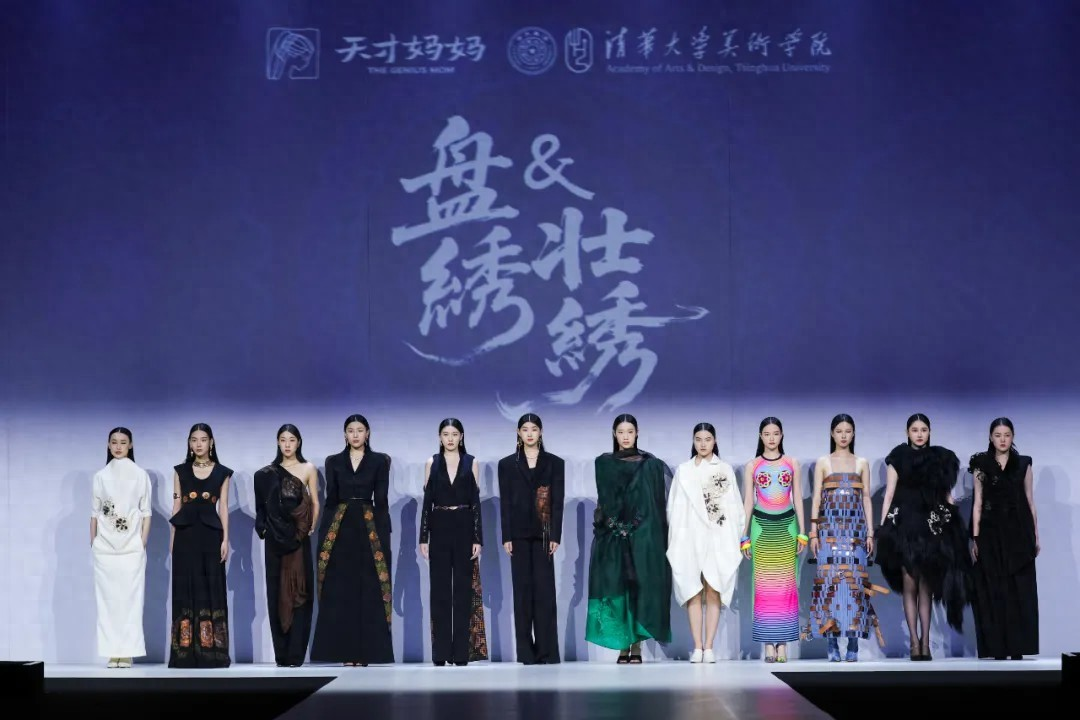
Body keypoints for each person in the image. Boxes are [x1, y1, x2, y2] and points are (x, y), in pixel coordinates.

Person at [875, 413, 968, 661]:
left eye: (924, 429)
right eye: (915, 430)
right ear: (907, 432)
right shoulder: (898, 457)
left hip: (930, 528)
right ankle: (914, 643)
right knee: (909, 586)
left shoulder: (940, 459)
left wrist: (955, 523)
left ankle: (925, 643)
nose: (919, 434)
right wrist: (883, 528)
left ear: (929, 432)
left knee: (926, 587)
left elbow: (946, 495)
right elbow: (889, 494)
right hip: (905, 527)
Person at [586, 413, 672, 663]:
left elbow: (654, 504)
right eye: (621, 432)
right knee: (617, 589)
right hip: (612, 535)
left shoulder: (650, 465)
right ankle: (622, 645)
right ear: (614, 434)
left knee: (640, 588)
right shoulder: (603, 463)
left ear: (637, 433)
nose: (626, 437)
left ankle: (636, 646)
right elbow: (604, 500)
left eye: (630, 432)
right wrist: (614, 525)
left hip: (642, 535)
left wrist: (637, 526)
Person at [311, 414, 395, 666]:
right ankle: (345, 652)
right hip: (341, 526)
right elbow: (331, 500)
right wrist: (325, 533)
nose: (355, 435)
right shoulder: (334, 461)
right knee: (342, 590)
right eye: (351, 430)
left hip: (369, 527)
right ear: (345, 434)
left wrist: (384, 533)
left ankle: (367, 652)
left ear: (368, 433)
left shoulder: (380, 461)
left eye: (360, 430)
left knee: (369, 589)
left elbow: (382, 501)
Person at [805, 414, 887, 662]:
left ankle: (853, 643)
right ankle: (831, 643)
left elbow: (866, 499)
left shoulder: (862, 462)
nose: (843, 435)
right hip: (828, 530)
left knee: (855, 585)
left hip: (855, 531)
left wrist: (870, 532)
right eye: (839, 431)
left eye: (848, 431)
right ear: (832, 433)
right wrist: (813, 533)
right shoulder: (823, 462)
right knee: (828, 585)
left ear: (853, 434)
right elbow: (817, 498)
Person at [666, 422, 745, 663]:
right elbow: (674, 507)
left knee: (713, 589)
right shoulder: (684, 470)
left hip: (716, 537)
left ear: (715, 441)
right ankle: (697, 647)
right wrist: (678, 536)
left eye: (707, 439)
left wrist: (734, 536)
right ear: (693, 441)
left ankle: (709, 646)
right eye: (698, 439)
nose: (703, 444)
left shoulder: (724, 469)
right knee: (692, 590)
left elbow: (734, 507)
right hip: (689, 535)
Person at [967, 417, 1039, 660]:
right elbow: (977, 503)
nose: (1003, 439)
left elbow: (1030, 501)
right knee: (994, 589)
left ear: (1013, 436)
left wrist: (1036, 535)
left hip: (1019, 533)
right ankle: (997, 648)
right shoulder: (981, 464)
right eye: (998, 435)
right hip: (990, 533)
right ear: (990, 437)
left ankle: (1017, 647)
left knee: (1019, 590)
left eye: (1007, 435)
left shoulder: (1023, 463)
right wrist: (975, 538)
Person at [497, 413, 565, 664]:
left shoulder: (555, 463)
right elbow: (505, 502)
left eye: (534, 429)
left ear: (541, 432)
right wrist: (506, 535)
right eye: (524, 429)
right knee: (522, 593)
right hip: (518, 534)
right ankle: (526, 652)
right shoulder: (507, 464)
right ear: (518, 433)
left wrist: (555, 534)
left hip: (544, 534)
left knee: (545, 593)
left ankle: (547, 651)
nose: (529, 433)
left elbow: (557, 502)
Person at [419, 418, 487, 666]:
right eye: (446, 434)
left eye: (454, 434)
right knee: (439, 591)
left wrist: (477, 537)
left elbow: (475, 503)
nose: (450, 438)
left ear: (461, 437)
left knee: (462, 591)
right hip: (439, 526)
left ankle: (461, 654)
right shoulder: (432, 462)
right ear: (440, 437)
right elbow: (427, 503)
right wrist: (423, 537)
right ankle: (440, 654)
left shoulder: (471, 462)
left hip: (464, 526)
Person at [740, 416, 806, 663]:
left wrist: (802, 532)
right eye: (767, 434)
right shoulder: (752, 465)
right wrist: (744, 535)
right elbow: (749, 501)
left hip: (787, 527)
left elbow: (797, 498)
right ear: (761, 436)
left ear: (782, 435)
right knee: (764, 587)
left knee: (786, 586)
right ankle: (768, 644)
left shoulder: (792, 463)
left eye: (775, 433)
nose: (771, 438)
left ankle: (783, 644)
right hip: (761, 527)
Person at [168, 423, 232, 668]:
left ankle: (212, 653)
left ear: (211, 442)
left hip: (211, 535)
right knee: (185, 589)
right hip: (185, 535)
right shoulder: (180, 471)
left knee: (210, 588)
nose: (198, 444)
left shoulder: (222, 472)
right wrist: (172, 539)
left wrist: (226, 539)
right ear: (189, 443)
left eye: (203, 439)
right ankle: (184, 654)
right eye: (194, 439)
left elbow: (223, 507)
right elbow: (176, 506)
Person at [254, 424, 318, 667]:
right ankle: (281, 654)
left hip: (298, 538)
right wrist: (263, 528)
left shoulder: (308, 468)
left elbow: (315, 502)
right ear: (278, 442)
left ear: (299, 442)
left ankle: (295, 654)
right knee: (276, 591)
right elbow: (261, 508)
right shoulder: (265, 474)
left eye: (292, 439)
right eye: (283, 440)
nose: (287, 444)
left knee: (299, 592)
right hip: (274, 539)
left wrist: (310, 526)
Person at [91, 427, 152, 668]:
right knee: (107, 601)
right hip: (105, 549)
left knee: (131, 600)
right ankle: (111, 651)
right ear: (108, 445)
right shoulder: (100, 476)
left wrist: (141, 542)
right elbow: (94, 513)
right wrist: (94, 543)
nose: (118, 446)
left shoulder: (140, 475)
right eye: (114, 442)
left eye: (123, 442)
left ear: (131, 445)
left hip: (131, 548)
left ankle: (126, 652)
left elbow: (146, 512)